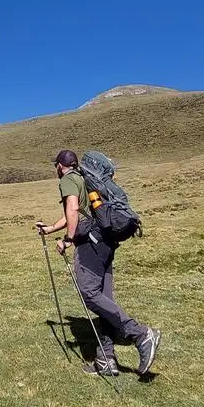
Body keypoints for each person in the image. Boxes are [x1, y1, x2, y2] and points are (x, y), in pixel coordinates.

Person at [36, 150, 160, 377]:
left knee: (89, 293)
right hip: (106, 241)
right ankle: (105, 359)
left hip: (90, 243)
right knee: (104, 301)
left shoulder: (68, 180)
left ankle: (140, 334)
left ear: (60, 166)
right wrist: (51, 228)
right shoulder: (85, 179)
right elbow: (75, 212)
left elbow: (73, 209)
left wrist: (67, 240)